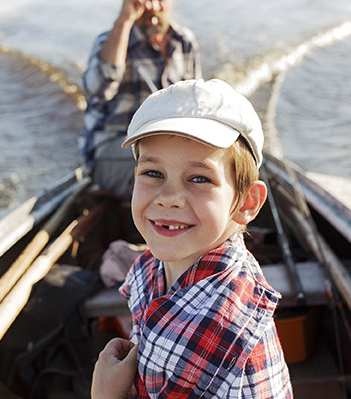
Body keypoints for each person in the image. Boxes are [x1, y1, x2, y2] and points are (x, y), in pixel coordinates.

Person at [91, 79, 293, 398]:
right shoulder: (150, 264)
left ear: (246, 203)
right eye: (153, 173)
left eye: (199, 178)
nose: (168, 198)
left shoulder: (221, 322)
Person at [80, 0, 202, 198]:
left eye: (160, 0)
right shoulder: (109, 41)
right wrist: (124, 21)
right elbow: (98, 90)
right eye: (144, 0)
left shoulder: (184, 41)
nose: (152, 8)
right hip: (113, 149)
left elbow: (195, 106)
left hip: (167, 147)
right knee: (161, 165)